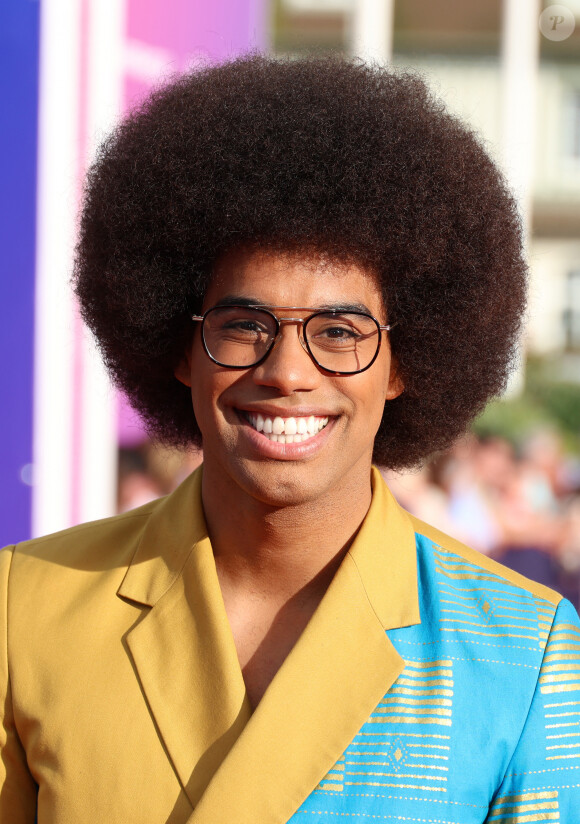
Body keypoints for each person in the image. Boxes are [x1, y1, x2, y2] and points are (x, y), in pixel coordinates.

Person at [2, 55, 579, 824]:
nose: (287, 373)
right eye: (244, 327)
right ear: (178, 347)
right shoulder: (25, 606)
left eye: (340, 332)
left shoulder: (525, 649)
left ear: (403, 364)